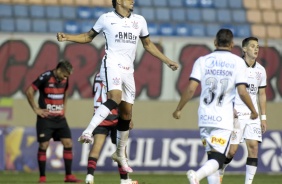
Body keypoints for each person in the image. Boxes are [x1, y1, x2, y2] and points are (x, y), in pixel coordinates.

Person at [57, 0, 178, 173]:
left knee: (126, 114)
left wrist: (167, 61)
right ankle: (88, 131)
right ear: (119, 1)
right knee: (115, 97)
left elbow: (148, 44)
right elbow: (88, 37)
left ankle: (119, 153)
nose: (133, 1)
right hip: (111, 65)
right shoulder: (106, 18)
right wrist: (68, 37)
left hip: (129, 71)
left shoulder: (140, 21)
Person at [172, 29, 258, 184]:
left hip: (204, 117)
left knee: (212, 158)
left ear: (215, 42)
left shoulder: (202, 60)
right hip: (223, 119)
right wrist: (253, 110)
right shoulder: (238, 62)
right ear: (232, 44)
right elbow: (242, 91)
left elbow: (191, 88)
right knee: (218, 159)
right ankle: (196, 176)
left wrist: (179, 109)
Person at [219, 37, 267, 184]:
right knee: (232, 151)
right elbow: (224, 88)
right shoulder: (236, 67)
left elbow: (262, 94)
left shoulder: (261, 70)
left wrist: (263, 117)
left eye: (257, 46)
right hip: (236, 115)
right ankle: (221, 169)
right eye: (252, 46)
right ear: (244, 49)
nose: (256, 49)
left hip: (253, 116)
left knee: (253, 148)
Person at [25, 60, 81, 183]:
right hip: (46, 119)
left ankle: (68, 176)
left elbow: (66, 91)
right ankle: (42, 177)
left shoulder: (65, 79)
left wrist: (64, 107)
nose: (66, 77)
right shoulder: (45, 77)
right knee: (43, 145)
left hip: (60, 119)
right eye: (65, 75)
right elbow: (29, 91)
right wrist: (36, 109)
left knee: (68, 143)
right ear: (59, 69)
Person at [84, 72, 137, 184]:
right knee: (121, 149)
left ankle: (89, 176)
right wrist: (129, 118)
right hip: (115, 114)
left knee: (96, 147)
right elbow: (122, 98)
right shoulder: (116, 73)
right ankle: (124, 180)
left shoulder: (98, 75)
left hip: (100, 114)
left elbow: (96, 93)